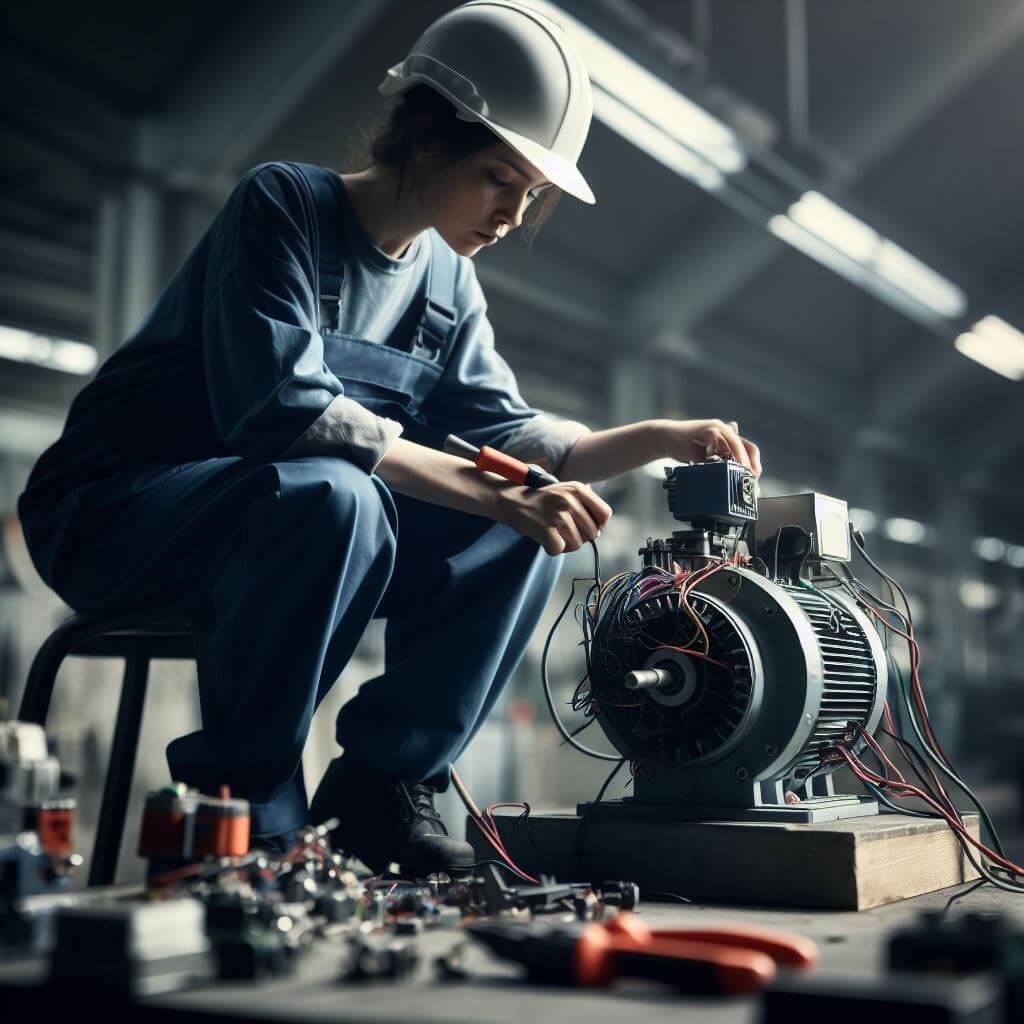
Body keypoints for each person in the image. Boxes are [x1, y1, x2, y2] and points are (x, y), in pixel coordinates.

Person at [17, 0, 761, 876]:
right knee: (339, 493)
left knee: (523, 525)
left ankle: (380, 788)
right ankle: (248, 809)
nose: (512, 217)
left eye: (530, 198)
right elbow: (281, 409)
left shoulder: (448, 280)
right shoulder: (285, 205)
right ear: (422, 136)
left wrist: (656, 437)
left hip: (283, 533)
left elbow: (508, 436)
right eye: (498, 179)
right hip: (114, 519)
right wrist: (478, 482)